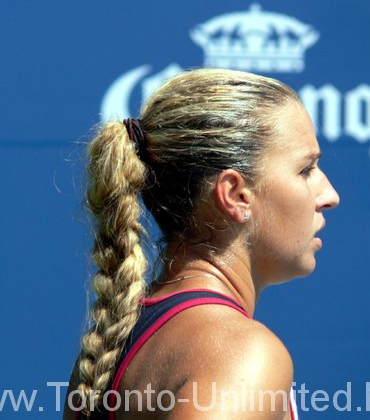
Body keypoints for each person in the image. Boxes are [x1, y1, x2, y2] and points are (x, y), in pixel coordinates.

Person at [63, 68, 340, 419]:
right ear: (236, 195)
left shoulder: (106, 348)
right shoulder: (245, 357)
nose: (329, 195)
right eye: (306, 170)